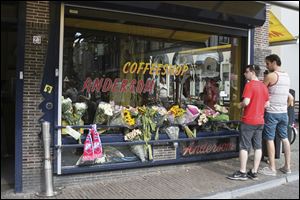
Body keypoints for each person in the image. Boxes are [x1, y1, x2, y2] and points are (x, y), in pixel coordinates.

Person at [227, 65, 269, 180]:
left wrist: (238, 105)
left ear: (252, 72)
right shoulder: (263, 86)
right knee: (258, 147)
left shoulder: (249, 85)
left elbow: (246, 102)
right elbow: (267, 104)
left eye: (246, 72)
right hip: (260, 121)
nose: (245, 74)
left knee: (244, 147)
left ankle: (242, 172)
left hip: (249, 120)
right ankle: (254, 171)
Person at [258, 54, 293, 176]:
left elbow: (261, 91)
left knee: (269, 139)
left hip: (272, 113)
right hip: (284, 113)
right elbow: (288, 95)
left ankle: (272, 168)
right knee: (285, 138)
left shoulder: (271, 76)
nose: (266, 66)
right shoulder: (287, 76)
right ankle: (287, 167)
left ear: (273, 62)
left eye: (267, 63)